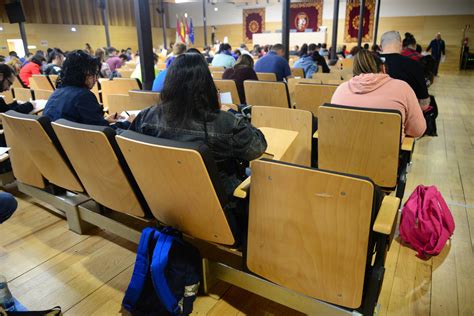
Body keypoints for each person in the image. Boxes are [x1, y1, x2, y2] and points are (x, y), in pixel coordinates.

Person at [130, 53, 267, 235]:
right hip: (219, 210)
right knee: (263, 175)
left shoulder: (147, 116)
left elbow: (130, 145)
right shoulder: (226, 122)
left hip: (166, 205)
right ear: (207, 85)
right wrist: (233, 113)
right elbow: (258, 148)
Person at [331, 50, 426, 139]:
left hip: (342, 153)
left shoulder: (341, 89)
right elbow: (418, 130)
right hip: (387, 155)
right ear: (383, 68)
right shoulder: (402, 88)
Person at [43, 50, 132, 129]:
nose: (96, 79)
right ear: (81, 74)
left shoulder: (58, 91)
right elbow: (102, 133)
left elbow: (86, 123)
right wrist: (128, 123)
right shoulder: (83, 96)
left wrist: (105, 121)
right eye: (93, 74)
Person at [380, 31, 430, 108]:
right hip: (403, 115)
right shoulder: (414, 65)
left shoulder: (368, 62)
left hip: (368, 114)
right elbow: (424, 104)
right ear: (401, 45)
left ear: (380, 46)